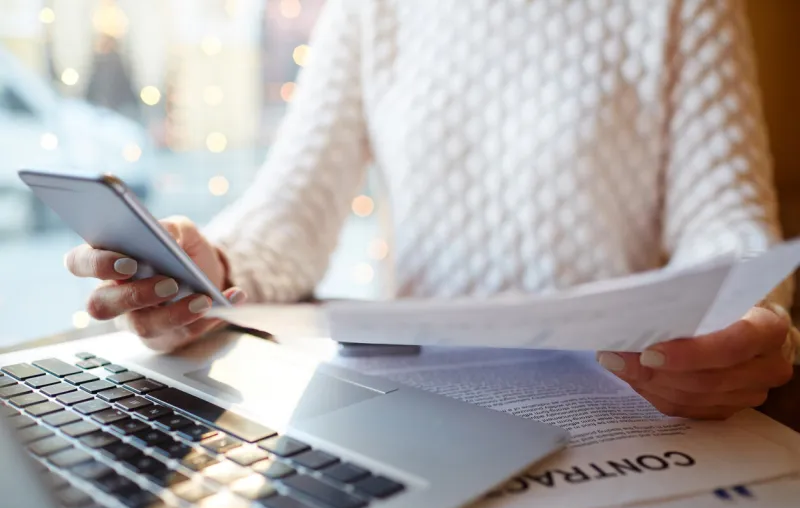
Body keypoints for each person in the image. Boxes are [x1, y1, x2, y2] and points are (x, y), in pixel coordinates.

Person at [65, 0, 797, 419]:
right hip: (423, 406)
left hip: (624, 408)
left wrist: (738, 323)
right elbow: (292, 210)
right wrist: (207, 268)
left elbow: (726, 221)